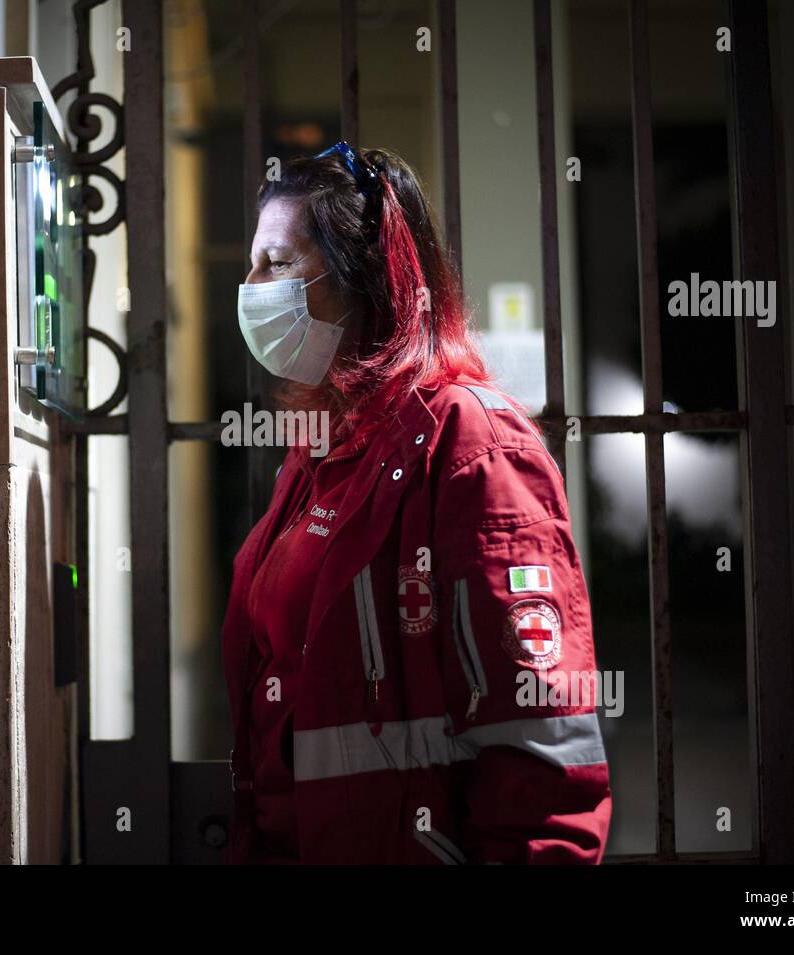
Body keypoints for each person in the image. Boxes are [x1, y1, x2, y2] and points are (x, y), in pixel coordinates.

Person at [222, 142, 612, 865]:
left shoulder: (476, 444)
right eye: (251, 264)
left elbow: (540, 752)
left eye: (276, 263)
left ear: (364, 278)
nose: (250, 288)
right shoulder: (319, 452)